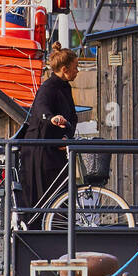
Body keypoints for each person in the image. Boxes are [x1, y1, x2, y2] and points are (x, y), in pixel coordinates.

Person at [21, 45, 79, 222]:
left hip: (54, 147)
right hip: (40, 149)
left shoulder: (64, 87)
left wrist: (66, 137)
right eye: (75, 67)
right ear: (64, 69)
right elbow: (41, 108)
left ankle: (56, 226)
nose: (77, 71)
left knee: (60, 190)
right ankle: (39, 227)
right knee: (45, 192)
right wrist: (52, 118)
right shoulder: (48, 87)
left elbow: (72, 116)